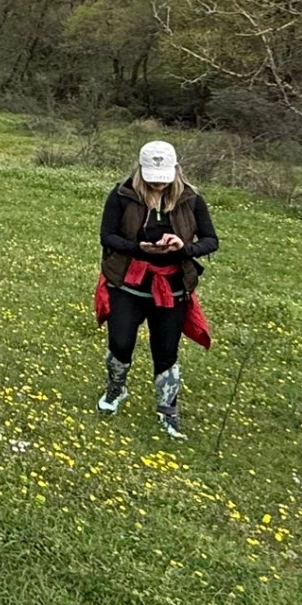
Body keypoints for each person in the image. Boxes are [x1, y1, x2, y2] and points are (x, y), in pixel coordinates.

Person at [95, 141, 217, 440]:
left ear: (175, 170)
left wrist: (184, 247)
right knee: (121, 343)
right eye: (153, 176)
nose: (159, 182)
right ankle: (116, 388)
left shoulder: (191, 199)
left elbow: (211, 240)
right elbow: (107, 236)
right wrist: (138, 248)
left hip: (172, 286)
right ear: (140, 170)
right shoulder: (122, 194)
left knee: (166, 351)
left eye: (163, 176)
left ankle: (167, 410)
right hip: (128, 282)